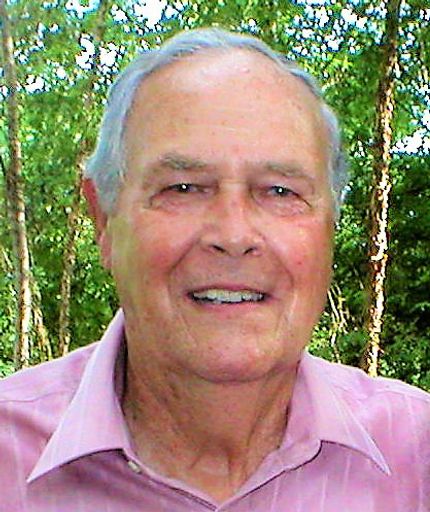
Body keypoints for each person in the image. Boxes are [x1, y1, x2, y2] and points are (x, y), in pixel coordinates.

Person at [0, 28, 429, 512]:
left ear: (329, 227)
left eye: (280, 191)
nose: (234, 234)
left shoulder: (417, 457)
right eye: (183, 188)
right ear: (104, 222)